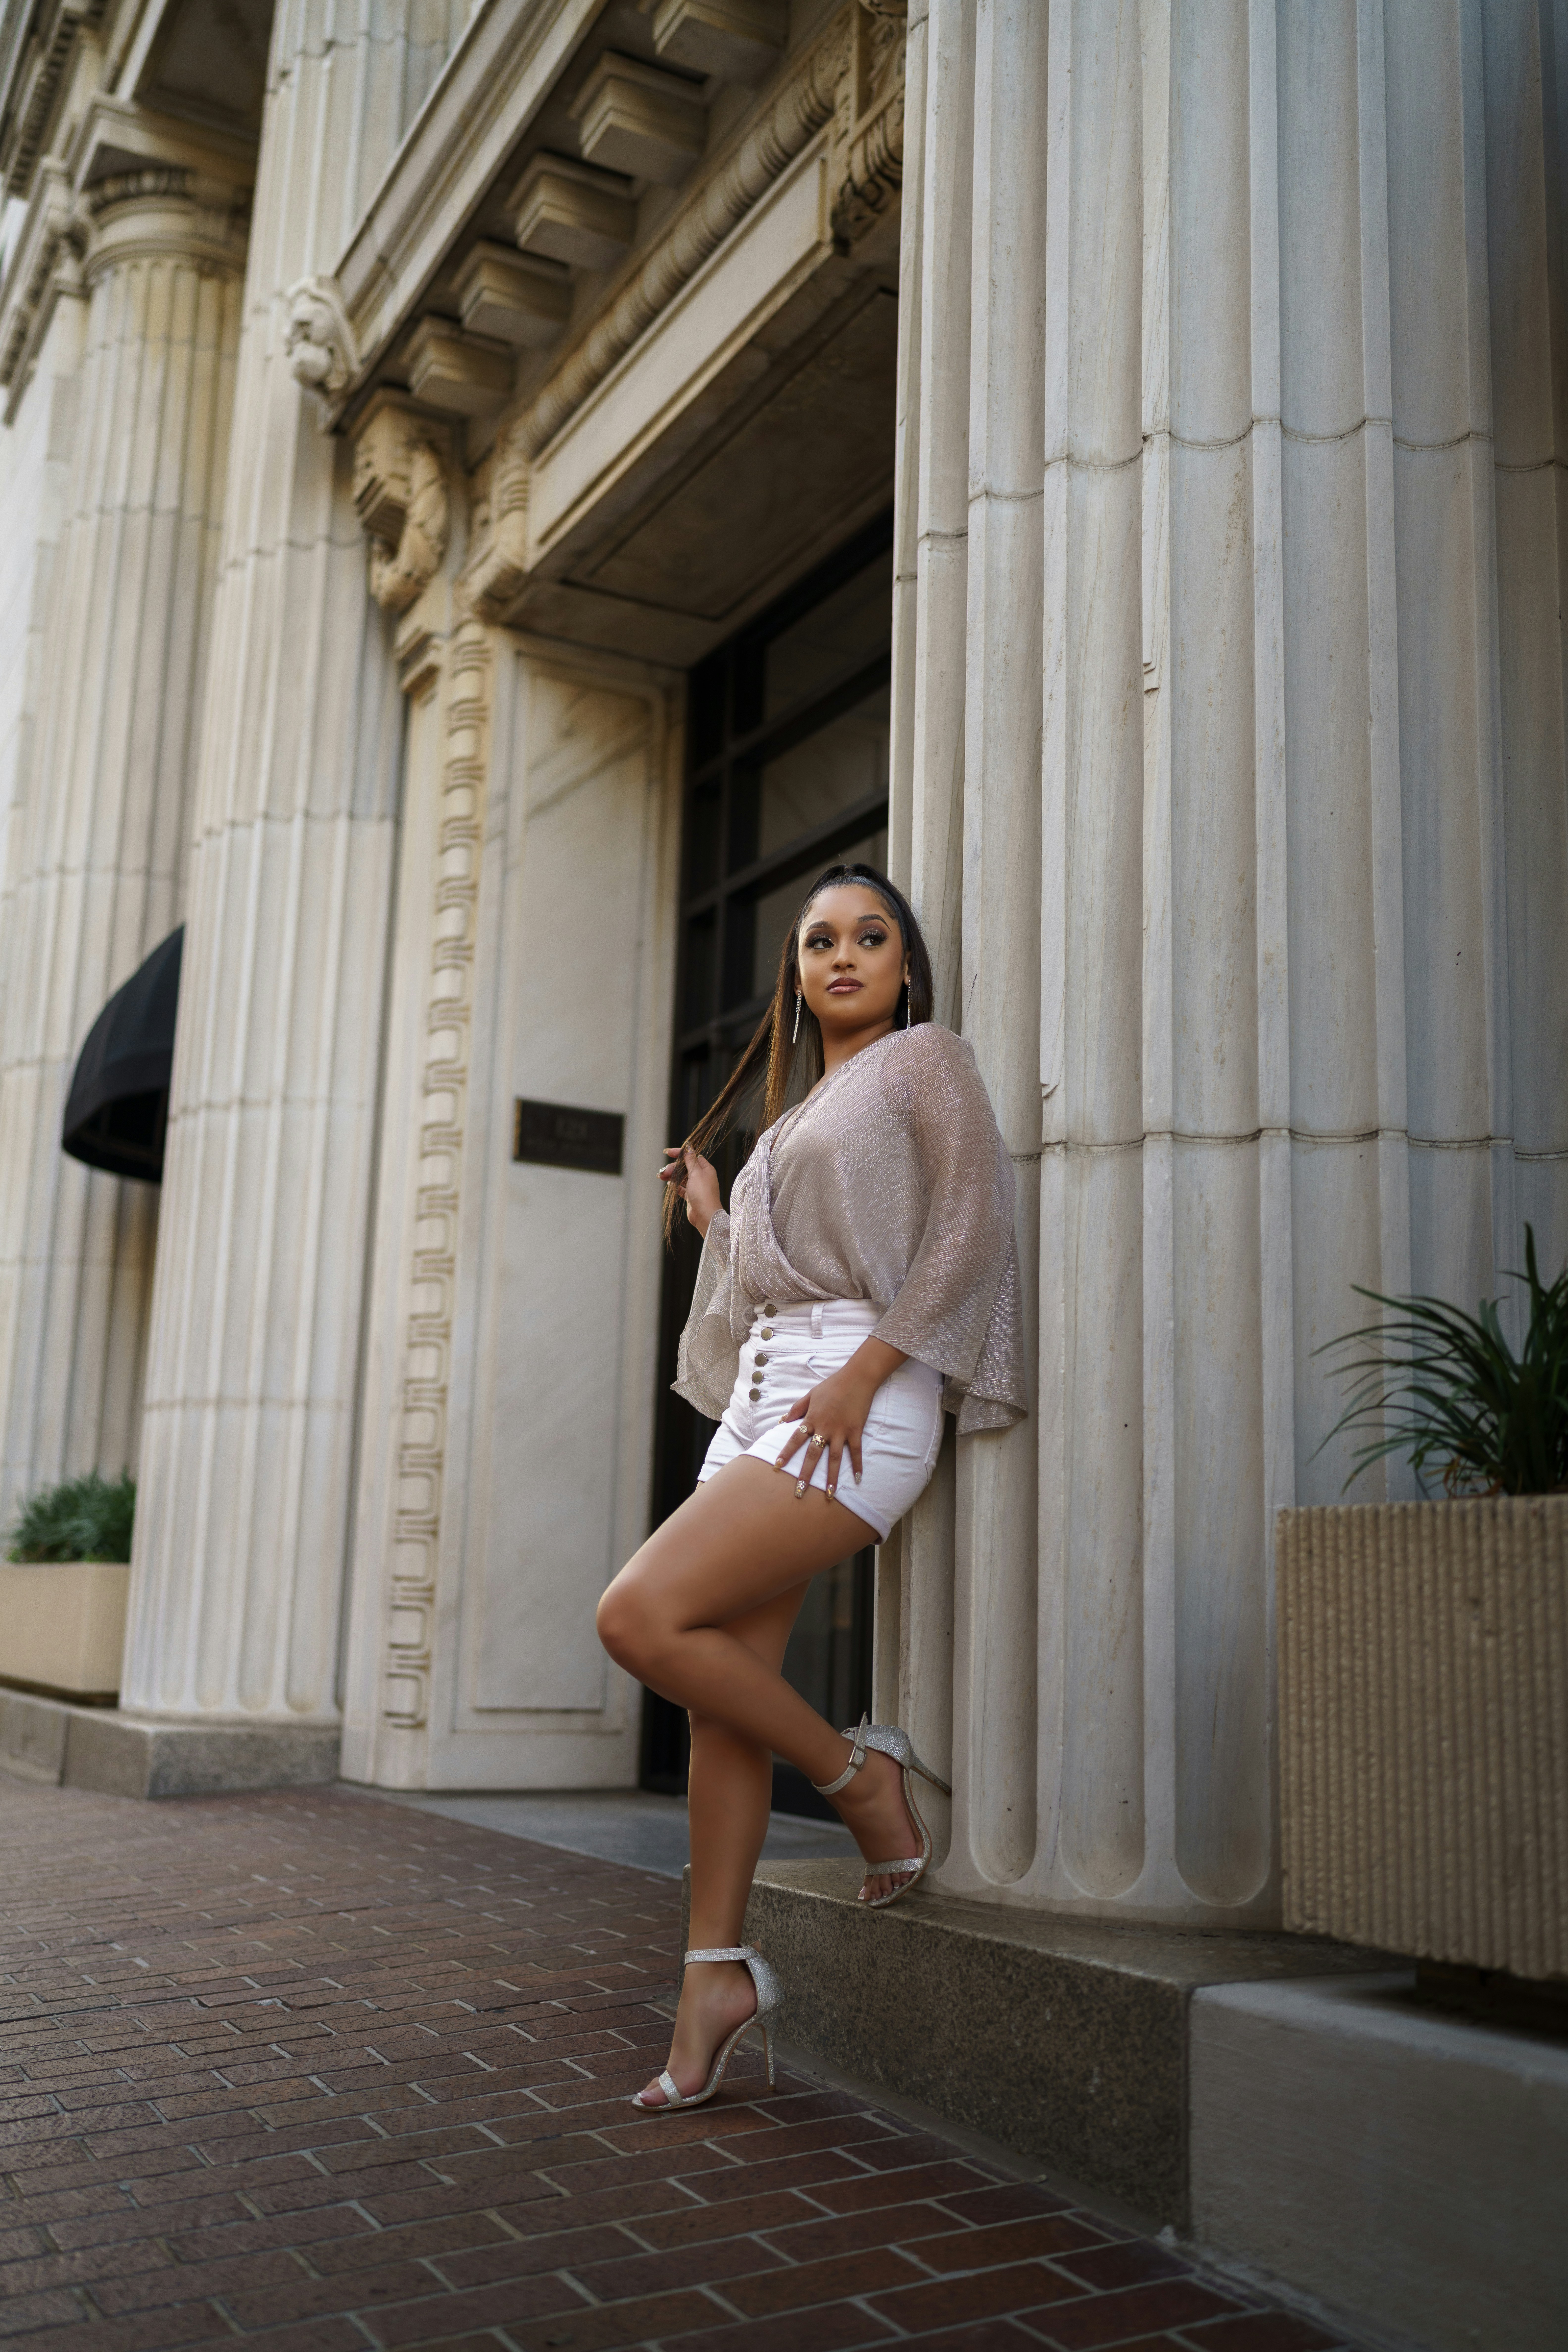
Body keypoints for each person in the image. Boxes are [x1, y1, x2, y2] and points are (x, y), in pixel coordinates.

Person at [596, 863, 1027, 2112]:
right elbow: (784, 1270)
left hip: (854, 1399)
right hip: (763, 1407)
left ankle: (856, 1782)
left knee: (638, 1617)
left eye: (870, 937)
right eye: (819, 942)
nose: (843, 957)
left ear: (904, 965)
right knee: (719, 1705)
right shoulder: (795, 1114)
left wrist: (876, 1371)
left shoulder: (924, 1059)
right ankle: (710, 1982)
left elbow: (970, 1223)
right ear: (795, 976)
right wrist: (722, 1210)